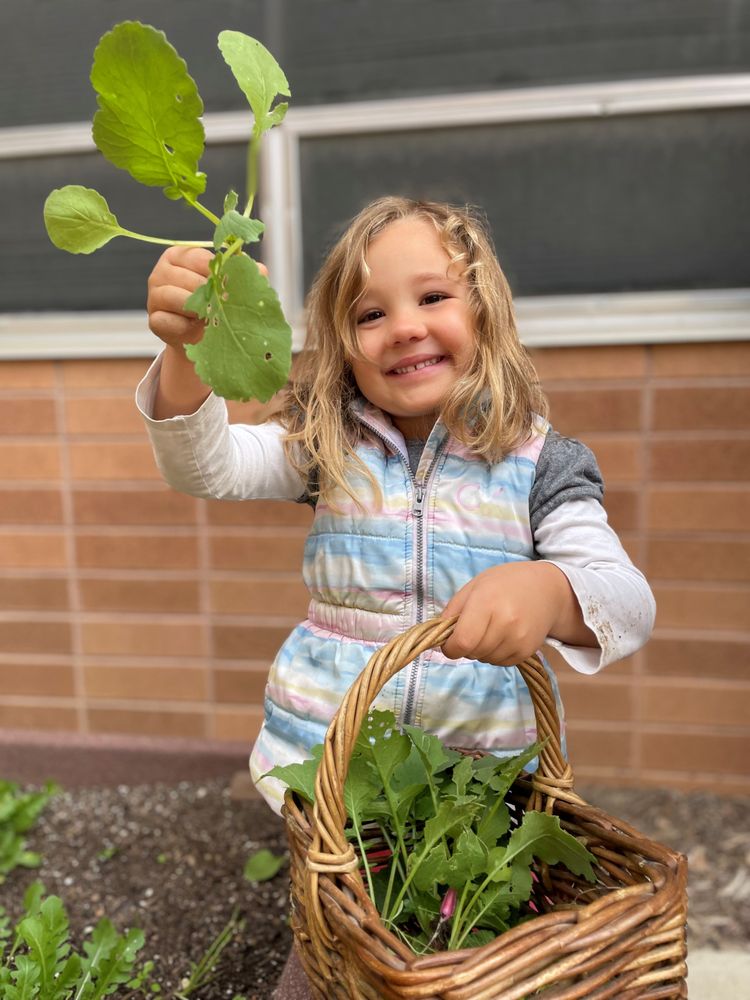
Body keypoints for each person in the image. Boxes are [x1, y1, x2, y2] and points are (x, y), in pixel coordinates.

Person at [137, 196, 655, 997]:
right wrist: (185, 352)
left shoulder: (540, 463)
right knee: (339, 943)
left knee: (467, 951)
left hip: (477, 788)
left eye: (433, 297)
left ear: (485, 313)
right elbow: (204, 468)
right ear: (344, 346)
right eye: (370, 313)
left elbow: (627, 598)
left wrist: (552, 590)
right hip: (333, 775)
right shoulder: (327, 442)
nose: (405, 326)